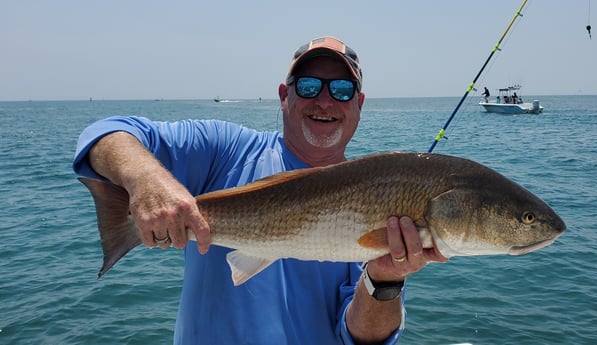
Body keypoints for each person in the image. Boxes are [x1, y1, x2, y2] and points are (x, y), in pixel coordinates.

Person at [73, 36, 447, 344]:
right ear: (285, 95)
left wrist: (384, 280)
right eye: (310, 86)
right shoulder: (223, 149)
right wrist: (147, 181)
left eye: (342, 89)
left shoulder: (382, 198)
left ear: (359, 104)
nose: (325, 101)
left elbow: (363, 338)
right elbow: (106, 135)